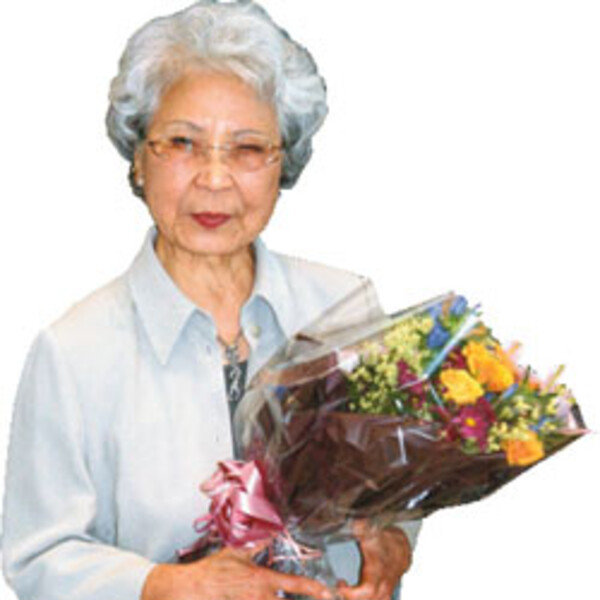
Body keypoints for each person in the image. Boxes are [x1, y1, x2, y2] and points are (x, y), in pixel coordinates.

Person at [1, 2, 420, 599]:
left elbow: (399, 482)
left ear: (284, 163)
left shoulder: (343, 309)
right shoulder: (74, 353)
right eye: (183, 143)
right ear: (139, 159)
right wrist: (162, 585)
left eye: (247, 149)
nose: (215, 178)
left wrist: (394, 541)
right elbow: (39, 554)